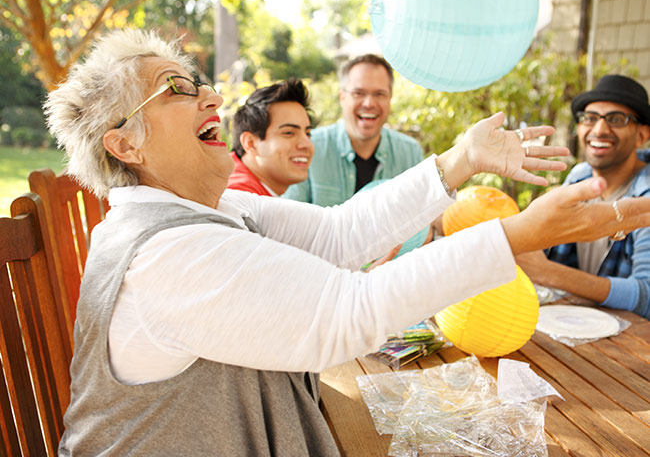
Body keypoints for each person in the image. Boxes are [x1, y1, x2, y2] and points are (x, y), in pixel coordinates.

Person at [46, 29, 650, 455]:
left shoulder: (211, 206)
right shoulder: (164, 255)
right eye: (177, 89)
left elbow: (340, 232)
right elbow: (345, 313)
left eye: (199, 82)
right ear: (124, 144)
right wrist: (521, 234)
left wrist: (463, 159)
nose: (213, 97)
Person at [517, 75, 650, 319]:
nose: (599, 129)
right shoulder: (580, 177)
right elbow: (542, 241)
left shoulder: (646, 196)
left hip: (631, 347)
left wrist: (547, 272)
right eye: (590, 118)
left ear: (642, 135)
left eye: (616, 119)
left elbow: (647, 296)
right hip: (569, 330)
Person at [283, 54, 423, 206]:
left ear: (390, 98)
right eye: (358, 93)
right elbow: (291, 220)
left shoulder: (410, 154)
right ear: (342, 97)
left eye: (379, 94)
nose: (369, 103)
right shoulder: (308, 148)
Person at [228, 78, 314, 196]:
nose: (307, 145)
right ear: (251, 143)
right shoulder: (238, 196)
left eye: (308, 133)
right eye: (289, 133)